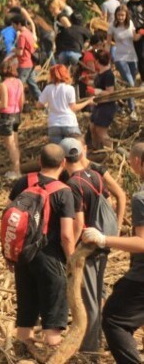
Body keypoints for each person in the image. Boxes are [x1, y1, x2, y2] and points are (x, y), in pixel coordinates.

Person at [60, 137, 126, 357]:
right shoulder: (95, 175)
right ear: (81, 153)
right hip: (102, 240)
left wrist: (72, 252)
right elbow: (109, 200)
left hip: (88, 245)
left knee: (88, 300)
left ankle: (89, 350)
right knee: (97, 294)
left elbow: (78, 223)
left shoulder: (73, 184)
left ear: (63, 159)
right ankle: (96, 342)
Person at [82, 143, 144, 364]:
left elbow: (142, 242)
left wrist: (104, 238)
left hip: (141, 278)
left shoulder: (141, 198)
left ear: (136, 162)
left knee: (114, 320)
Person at [9, 144, 76, 349]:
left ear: (39, 161)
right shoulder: (64, 192)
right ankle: (53, 357)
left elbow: (10, 218)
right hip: (51, 261)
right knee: (52, 324)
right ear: (63, 164)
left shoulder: (23, 182)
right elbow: (66, 235)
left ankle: (20, 355)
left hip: (24, 257)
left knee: (26, 318)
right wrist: (72, 262)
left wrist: (10, 254)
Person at [37, 64, 94, 143]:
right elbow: (73, 108)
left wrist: (48, 104)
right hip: (69, 122)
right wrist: (88, 101)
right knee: (76, 148)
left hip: (54, 124)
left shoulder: (48, 88)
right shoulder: (69, 88)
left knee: (58, 153)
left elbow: (39, 105)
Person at [108, 4, 140, 119]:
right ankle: (132, 110)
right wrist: (107, 56)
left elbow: (135, 38)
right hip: (120, 58)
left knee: (130, 85)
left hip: (132, 57)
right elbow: (108, 43)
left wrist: (141, 33)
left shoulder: (130, 24)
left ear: (126, 15)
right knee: (130, 84)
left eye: (122, 15)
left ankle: (122, 105)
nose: (120, 17)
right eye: (118, 15)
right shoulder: (112, 26)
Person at [0, 60, 25, 180]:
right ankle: (16, 169)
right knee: (15, 144)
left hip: (7, 116)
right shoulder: (19, 82)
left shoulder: (4, 85)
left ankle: (16, 171)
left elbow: (4, 104)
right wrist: (19, 112)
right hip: (17, 114)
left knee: (11, 146)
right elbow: (21, 101)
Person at [90, 50, 117, 150]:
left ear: (97, 61)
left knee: (101, 131)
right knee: (93, 128)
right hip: (99, 105)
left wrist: (96, 91)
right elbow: (98, 79)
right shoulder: (100, 72)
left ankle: (110, 152)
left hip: (106, 106)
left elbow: (110, 93)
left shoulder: (108, 74)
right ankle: (96, 149)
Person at [12, 14, 41, 103]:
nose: (13, 27)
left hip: (24, 63)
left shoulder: (22, 36)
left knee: (18, 85)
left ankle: (14, 105)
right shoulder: (29, 33)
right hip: (30, 63)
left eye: (14, 25)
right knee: (32, 84)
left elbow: (20, 52)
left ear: (19, 24)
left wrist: (13, 50)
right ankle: (43, 102)